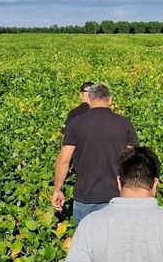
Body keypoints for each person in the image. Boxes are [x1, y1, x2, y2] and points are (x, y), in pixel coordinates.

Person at [52, 83, 139, 224]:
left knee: (87, 242)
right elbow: (133, 160)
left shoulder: (75, 123)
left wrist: (57, 189)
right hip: (117, 196)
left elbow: (64, 160)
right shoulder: (124, 123)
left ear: (89, 99)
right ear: (110, 99)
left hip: (85, 196)